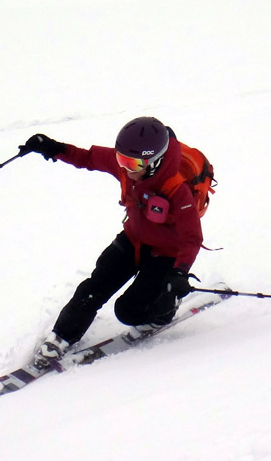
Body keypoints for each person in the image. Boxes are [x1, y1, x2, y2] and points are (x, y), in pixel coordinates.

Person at [20, 116, 203, 368]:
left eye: (131, 163)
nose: (124, 167)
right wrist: (54, 148)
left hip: (165, 255)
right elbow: (87, 158)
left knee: (128, 311)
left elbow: (193, 237)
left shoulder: (176, 189)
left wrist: (179, 273)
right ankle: (60, 338)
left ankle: (165, 310)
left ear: (154, 161)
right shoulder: (127, 167)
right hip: (134, 240)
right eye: (121, 159)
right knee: (93, 288)